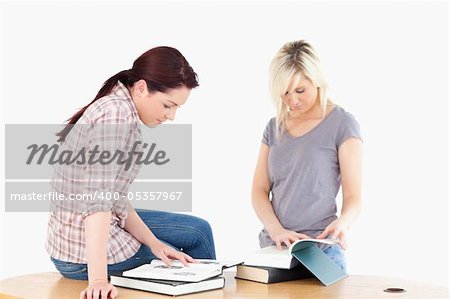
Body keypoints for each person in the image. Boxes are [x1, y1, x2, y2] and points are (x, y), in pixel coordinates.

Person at [46, 47, 216, 299]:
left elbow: (115, 200)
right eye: (168, 105)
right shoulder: (116, 117)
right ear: (141, 88)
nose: (171, 116)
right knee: (184, 264)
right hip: (79, 253)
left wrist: (155, 244)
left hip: (84, 230)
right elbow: (98, 205)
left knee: (199, 230)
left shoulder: (119, 104)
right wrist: (98, 281)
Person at [251, 40, 363, 271]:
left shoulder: (342, 123)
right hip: (275, 251)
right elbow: (259, 190)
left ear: (317, 81)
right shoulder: (274, 127)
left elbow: (354, 197)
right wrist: (276, 230)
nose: (292, 100)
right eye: (285, 93)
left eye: (300, 90)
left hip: (321, 251)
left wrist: (343, 223)